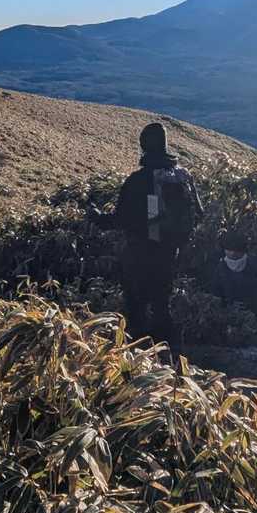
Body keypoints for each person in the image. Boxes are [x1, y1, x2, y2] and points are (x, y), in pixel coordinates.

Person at [91, 122, 203, 354]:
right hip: (171, 252)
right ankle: (170, 356)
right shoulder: (182, 176)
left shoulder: (138, 180)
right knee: (162, 302)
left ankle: (138, 357)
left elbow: (120, 219)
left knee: (137, 306)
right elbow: (199, 213)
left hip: (139, 254)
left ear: (143, 146)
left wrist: (96, 217)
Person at [210, 231, 249, 304]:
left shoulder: (251, 264)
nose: (232, 253)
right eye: (229, 249)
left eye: (236, 250)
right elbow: (215, 291)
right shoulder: (221, 267)